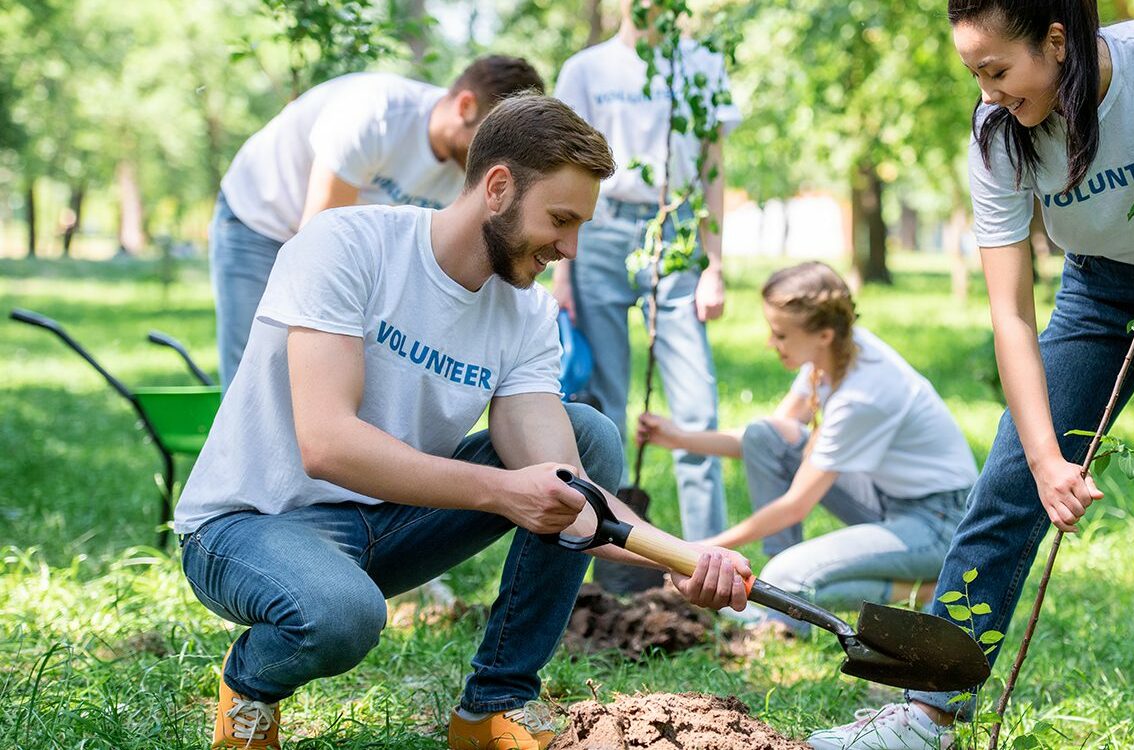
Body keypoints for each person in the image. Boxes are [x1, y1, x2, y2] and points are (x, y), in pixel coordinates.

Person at [173, 95, 752, 750]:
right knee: (341, 616)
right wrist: (504, 492)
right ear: (498, 187)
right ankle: (248, 689)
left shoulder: (526, 315)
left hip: (388, 524)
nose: (569, 246)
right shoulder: (348, 244)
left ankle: (493, 708)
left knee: (587, 434)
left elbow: (564, 485)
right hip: (249, 525)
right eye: (561, 219)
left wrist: (680, 558)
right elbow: (326, 444)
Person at [809, 2, 1134, 749]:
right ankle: (924, 716)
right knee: (1003, 489)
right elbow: (1012, 317)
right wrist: (1043, 459)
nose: (987, 92)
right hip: (1099, 289)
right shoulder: (997, 136)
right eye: (974, 74)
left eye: (996, 70)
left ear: (1056, 42)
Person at [636, 262, 976, 627]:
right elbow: (767, 437)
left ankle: (921, 590)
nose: (771, 343)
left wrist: (700, 550)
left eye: (780, 335)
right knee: (764, 436)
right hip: (886, 500)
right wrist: (679, 439)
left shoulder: (863, 394)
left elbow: (794, 506)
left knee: (789, 580)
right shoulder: (831, 355)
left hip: (939, 524)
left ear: (824, 334)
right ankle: (773, 590)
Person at [212, 55, 545, 388]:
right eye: (493, 139)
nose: (498, 158)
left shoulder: (473, 172)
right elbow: (316, 240)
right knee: (258, 368)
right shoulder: (377, 113)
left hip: (332, 239)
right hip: (260, 218)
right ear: (466, 106)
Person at [550, 0, 740, 541]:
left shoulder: (702, 64)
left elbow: (712, 168)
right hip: (599, 227)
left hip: (676, 229)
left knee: (696, 411)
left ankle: (711, 557)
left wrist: (715, 264)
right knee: (603, 409)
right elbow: (563, 166)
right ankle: (593, 548)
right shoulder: (586, 69)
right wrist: (564, 271)